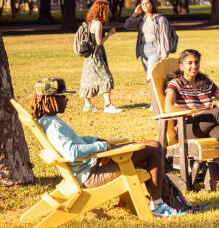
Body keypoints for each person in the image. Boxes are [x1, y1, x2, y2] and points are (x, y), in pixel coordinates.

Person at [31, 77, 183, 218]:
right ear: (50, 99)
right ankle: (157, 206)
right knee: (154, 149)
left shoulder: (48, 121)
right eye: (62, 96)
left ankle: (169, 202)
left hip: (90, 166)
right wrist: (103, 147)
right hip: (90, 174)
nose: (66, 99)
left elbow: (77, 140)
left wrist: (96, 140)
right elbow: (72, 152)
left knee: (151, 146)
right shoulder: (54, 126)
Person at [164, 49, 219, 192]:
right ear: (181, 66)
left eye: (196, 62)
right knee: (217, 112)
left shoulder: (205, 83)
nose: (194, 66)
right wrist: (193, 113)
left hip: (207, 125)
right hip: (187, 126)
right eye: (189, 63)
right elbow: (168, 107)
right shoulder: (176, 83)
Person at [79, 0, 121, 114]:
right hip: (95, 55)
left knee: (87, 78)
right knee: (106, 77)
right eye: (106, 9)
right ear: (102, 10)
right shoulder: (98, 23)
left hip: (89, 55)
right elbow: (98, 42)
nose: (108, 12)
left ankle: (87, 105)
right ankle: (108, 106)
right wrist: (110, 34)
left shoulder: (91, 22)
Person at [124, 0, 175, 80]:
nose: (145, 5)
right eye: (143, 4)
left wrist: (164, 56)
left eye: (147, 3)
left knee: (150, 76)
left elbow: (164, 38)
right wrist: (135, 13)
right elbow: (127, 25)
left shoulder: (160, 19)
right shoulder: (142, 19)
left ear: (152, 4)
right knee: (152, 75)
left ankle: (155, 92)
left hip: (155, 49)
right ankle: (157, 92)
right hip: (143, 49)